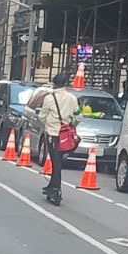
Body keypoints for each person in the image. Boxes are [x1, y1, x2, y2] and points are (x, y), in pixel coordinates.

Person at [28, 73, 79, 206]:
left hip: (53, 134)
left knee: (56, 162)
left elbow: (42, 116)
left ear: (54, 84)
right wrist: (71, 124)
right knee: (58, 161)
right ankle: (52, 186)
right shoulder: (72, 99)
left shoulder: (49, 99)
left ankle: (56, 189)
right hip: (66, 135)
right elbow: (78, 116)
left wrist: (47, 126)